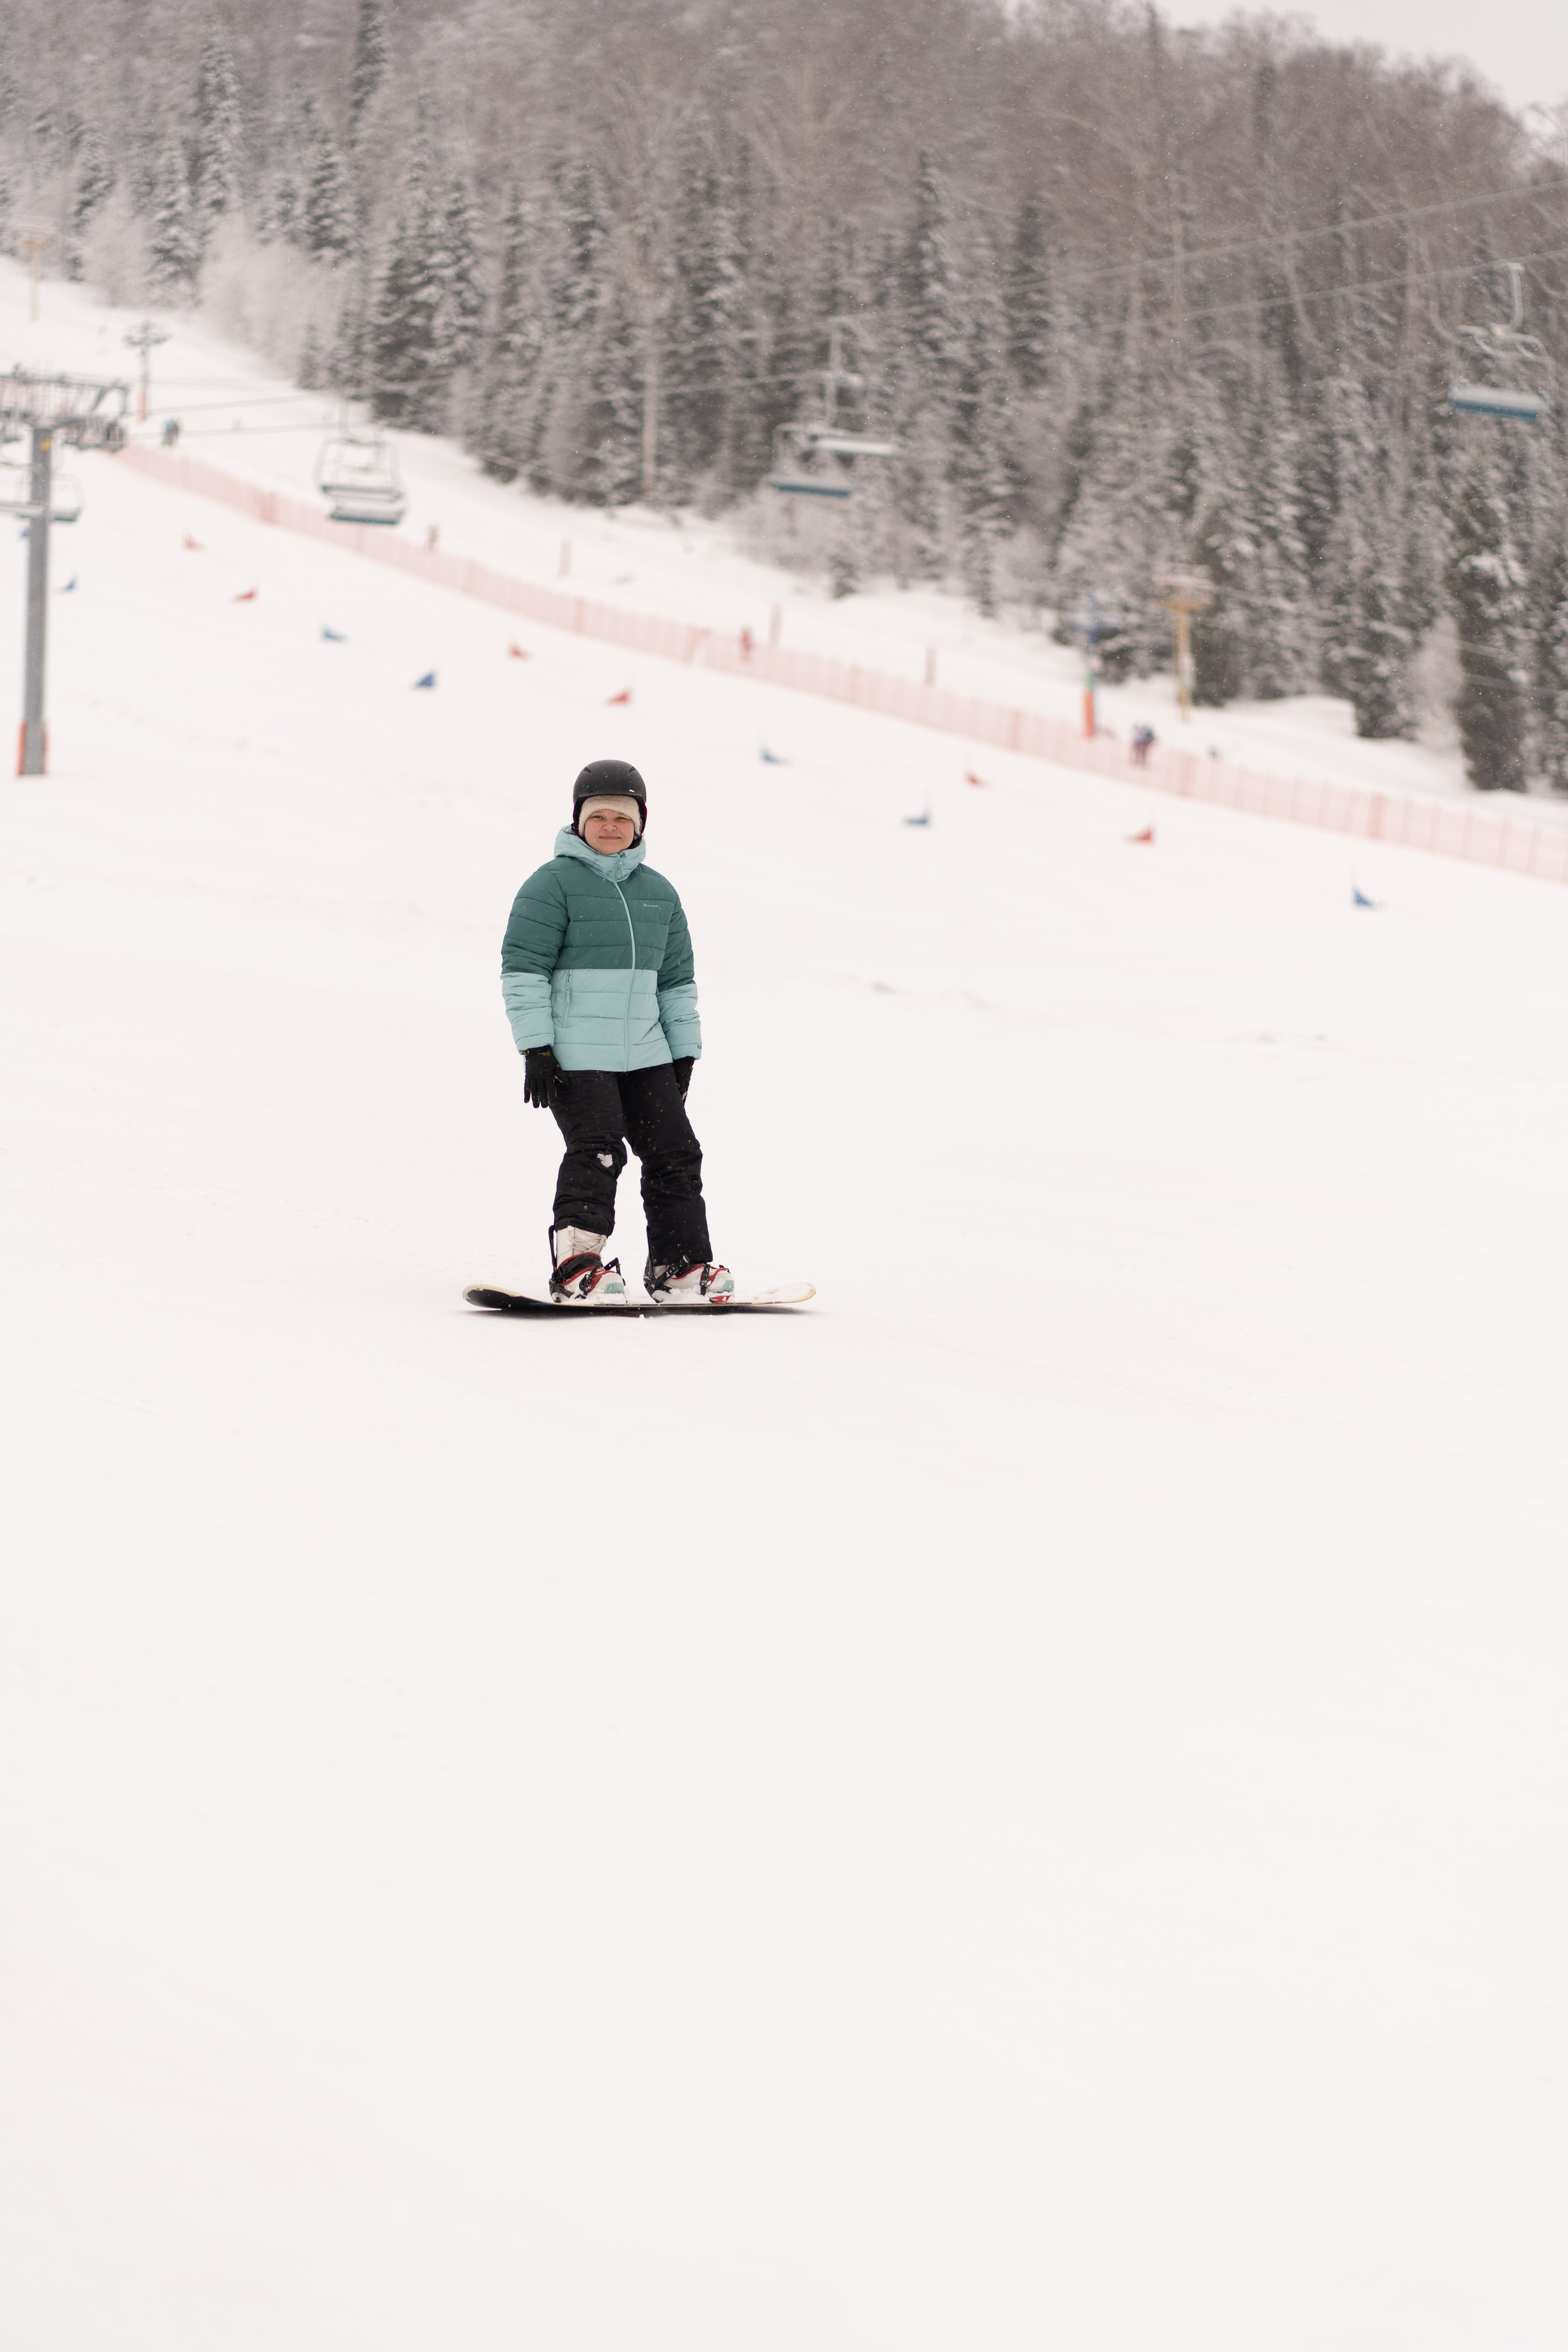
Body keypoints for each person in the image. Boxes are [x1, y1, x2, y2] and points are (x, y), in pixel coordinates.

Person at [500, 760, 733, 1306]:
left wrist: (684, 1053)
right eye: (598, 816)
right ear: (579, 821)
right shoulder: (551, 884)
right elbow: (524, 971)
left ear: (640, 823)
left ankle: (678, 1265)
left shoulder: (660, 892)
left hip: (647, 1054)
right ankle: (577, 1266)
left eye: (622, 817)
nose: (610, 826)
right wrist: (536, 1047)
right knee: (598, 1150)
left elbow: (676, 983)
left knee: (676, 1152)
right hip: (577, 1054)